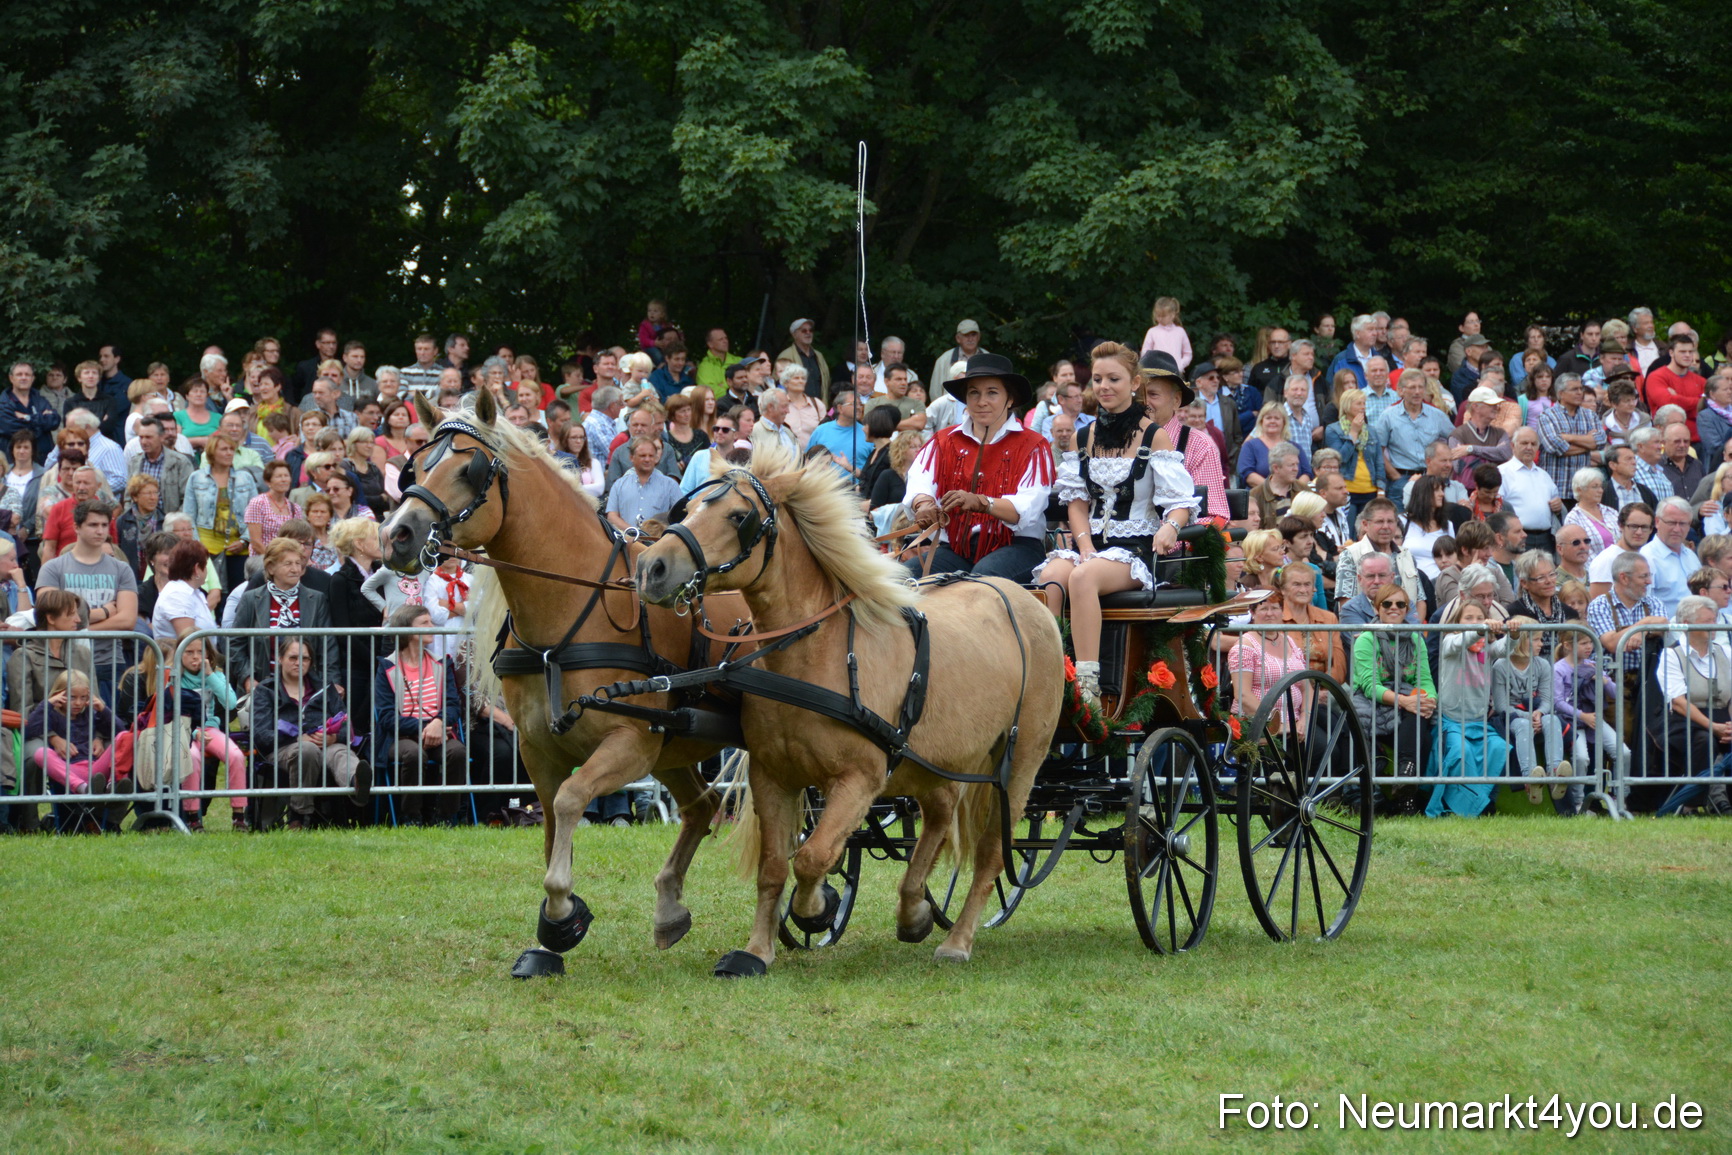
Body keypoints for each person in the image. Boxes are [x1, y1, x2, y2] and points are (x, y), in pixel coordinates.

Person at [1036, 345, 1193, 709]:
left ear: (1134, 383)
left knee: (1082, 577)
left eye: (1114, 379)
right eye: (1098, 379)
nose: (1104, 386)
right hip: (1092, 544)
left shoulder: (1155, 436)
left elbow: (1180, 502)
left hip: (1137, 549)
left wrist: (1170, 526)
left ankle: (1088, 687)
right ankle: (1051, 672)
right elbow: (1076, 503)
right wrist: (1084, 543)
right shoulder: (1083, 436)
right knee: (1051, 577)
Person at [250, 636, 367, 831]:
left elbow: (349, 727)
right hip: (283, 749)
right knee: (307, 749)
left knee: (341, 752)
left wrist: (334, 737)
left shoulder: (325, 688)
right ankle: (299, 816)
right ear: (280, 659)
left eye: (304, 659)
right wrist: (295, 738)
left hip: (327, 745)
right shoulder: (265, 691)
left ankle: (358, 784)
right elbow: (261, 735)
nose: (299, 663)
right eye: (293, 657)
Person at [375, 604, 464, 827]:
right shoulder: (387, 666)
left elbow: (453, 704)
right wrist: (426, 728)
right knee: (414, 754)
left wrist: (440, 722)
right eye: (425, 623)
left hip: (440, 732)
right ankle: (411, 816)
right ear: (406, 630)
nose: (432, 627)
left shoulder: (442, 663)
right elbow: (386, 717)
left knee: (458, 752)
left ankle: (445, 817)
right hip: (401, 737)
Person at [1426, 599, 1510, 818]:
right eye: (1468, 618)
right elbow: (1462, 640)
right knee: (1460, 753)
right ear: (1457, 622)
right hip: (1451, 720)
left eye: (1480, 618)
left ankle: (1485, 804)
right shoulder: (1449, 642)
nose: (1475, 622)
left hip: (1478, 721)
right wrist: (1480, 629)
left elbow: (1504, 648)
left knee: (1499, 747)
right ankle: (1458, 808)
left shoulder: (1486, 646)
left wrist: (1514, 635)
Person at [1651, 595, 1732, 816]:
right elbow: (1679, 702)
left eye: (1714, 619)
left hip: (1723, 718)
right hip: (1685, 722)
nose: (1714, 625)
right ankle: (1691, 804)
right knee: (1704, 741)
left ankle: (1721, 798)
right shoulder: (1672, 655)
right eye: (1707, 621)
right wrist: (1713, 727)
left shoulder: (1725, 652)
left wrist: (1729, 726)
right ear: (1686, 624)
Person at [1351, 581, 1436, 784]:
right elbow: (1371, 687)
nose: (1394, 608)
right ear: (1377, 608)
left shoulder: (1415, 639)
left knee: (1419, 716)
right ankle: (1406, 785)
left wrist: (1429, 700)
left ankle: (1406, 782)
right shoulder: (1366, 639)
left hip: (1403, 697)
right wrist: (1405, 701)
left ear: (1407, 609)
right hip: (1371, 702)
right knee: (1417, 724)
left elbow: (1424, 679)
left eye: (1400, 604)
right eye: (1387, 604)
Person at [228, 536, 337, 692]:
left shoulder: (316, 599)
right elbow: (236, 644)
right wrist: (247, 678)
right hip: (262, 686)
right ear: (271, 568)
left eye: (298, 563)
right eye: (288, 564)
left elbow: (328, 646)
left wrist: (332, 681)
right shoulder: (251, 599)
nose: (295, 569)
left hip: (306, 687)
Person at [1491, 615, 1573, 807]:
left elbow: (1547, 700)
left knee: (1551, 720)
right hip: (1511, 717)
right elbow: (1502, 706)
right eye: (1536, 639)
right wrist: (1528, 717)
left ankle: (1555, 774)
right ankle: (1530, 779)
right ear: (1520, 641)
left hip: (1536, 714)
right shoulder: (1500, 666)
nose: (1541, 644)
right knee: (1521, 725)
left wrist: (1540, 713)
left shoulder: (1542, 664)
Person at [184, 431, 257, 591]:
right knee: (209, 594)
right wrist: (198, 546)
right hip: (207, 549)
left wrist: (245, 540)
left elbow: (255, 515)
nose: (229, 453)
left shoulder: (246, 478)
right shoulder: (196, 478)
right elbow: (189, 516)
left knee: (238, 595)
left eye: (231, 449)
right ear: (212, 452)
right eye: (224, 449)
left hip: (240, 549)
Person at [1228, 594, 1309, 734]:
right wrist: (1277, 724)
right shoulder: (1245, 646)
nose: (1270, 614)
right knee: (1318, 748)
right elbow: (1243, 695)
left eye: (1275, 608)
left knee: (1335, 739)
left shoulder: (1290, 642)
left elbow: (1307, 688)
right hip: (1259, 723)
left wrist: (1304, 719)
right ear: (1253, 613)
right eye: (1264, 609)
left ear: (1282, 611)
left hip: (1294, 720)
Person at [1333, 498, 1424, 619]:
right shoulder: (1350, 554)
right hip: (1365, 633)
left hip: (1407, 633)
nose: (1386, 526)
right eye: (1380, 521)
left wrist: (1414, 632)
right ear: (1365, 524)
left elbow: (1420, 600)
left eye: (1390, 521)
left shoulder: (1407, 555)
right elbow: (1346, 603)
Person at [1276, 560, 1346, 682]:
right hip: (1288, 689)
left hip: (1326, 689)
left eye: (1307, 584)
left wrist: (1325, 689)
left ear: (1314, 588)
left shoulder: (1329, 618)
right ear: (1283, 589)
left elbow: (1339, 663)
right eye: (1297, 584)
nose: (1303, 590)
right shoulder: (1275, 619)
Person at [1497, 427, 1562, 553]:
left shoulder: (1544, 475)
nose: (1529, 447)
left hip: (1546, 538)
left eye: (1533, 444)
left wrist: (1558, 506)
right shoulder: (1502, 473)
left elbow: (1555, 502)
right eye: (1524, 443)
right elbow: (1497, 507)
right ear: (1512, 445)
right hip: (1518, 537)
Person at [1323, 387, 1383, 519]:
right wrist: (1354, 433)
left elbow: (1379, 461)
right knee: (1349, 534)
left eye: (1364, 403)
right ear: (1347, 405)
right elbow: (1340, 459)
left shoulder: (1371, 431)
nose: (1363, 407)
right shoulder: (1333, 430)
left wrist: (1381, 490)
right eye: (1358, 403)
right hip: (1347, 490)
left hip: (1370, 491)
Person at [605, 436, 682, 532]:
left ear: (656, 458)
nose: (647, 459)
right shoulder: (619, 485)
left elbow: (681, 517)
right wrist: (633, 532)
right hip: (626, 542)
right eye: (643, 455)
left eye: (651, 456)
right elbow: (612, 516)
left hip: (658, 543)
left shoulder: (670, 485)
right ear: (632, 458)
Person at [1640, 496, 1700, 617]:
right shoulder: (1647, 558)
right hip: (1666, 632)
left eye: (1683, 523)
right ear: (1657, 522)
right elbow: (1643, 604)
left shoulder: (1691, 556)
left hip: (1697, 631)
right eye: (1671, 523)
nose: (1677, 529)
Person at [1237, 403, 1310, 488]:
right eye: (1268, 418)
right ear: (1261, 422)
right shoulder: (1250, 446)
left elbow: (1307, 473)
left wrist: (1293, 490)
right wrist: (1273, 489)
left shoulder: (1295, 447)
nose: (1272, 421)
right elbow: (1247, 474)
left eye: (1277, 418)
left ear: (1284, 422)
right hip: (1260, 497)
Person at [244, 460, 303, 556]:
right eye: (278, 476)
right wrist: (275, 560)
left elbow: (297, 540)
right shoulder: (258, 503)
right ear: (268, 481)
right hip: (263, 560)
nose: (283, 479)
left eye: (286, 476)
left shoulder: (295, 508)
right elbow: (255, 542)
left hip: (287, 562)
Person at [1563, 468, 1619, 555]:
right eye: (1595, 486)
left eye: (1601, 486)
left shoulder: (1611, 512)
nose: (1601, 490)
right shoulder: (1573, 518)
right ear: (1579, 490)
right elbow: (1581, 552)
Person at [660, 393, 709, 471]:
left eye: (689, 410)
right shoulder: (666, 439)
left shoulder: (701, 435)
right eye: (682, 411)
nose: (687, 414)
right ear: (672, 414)